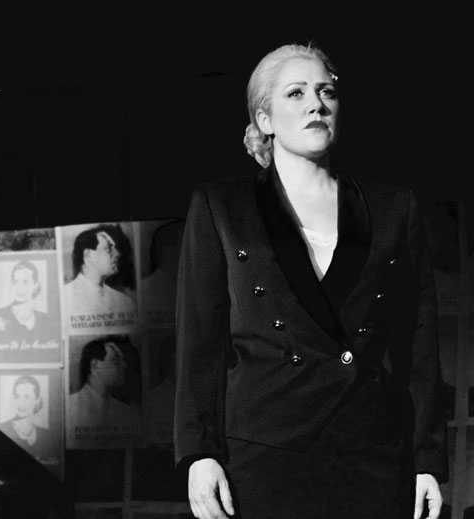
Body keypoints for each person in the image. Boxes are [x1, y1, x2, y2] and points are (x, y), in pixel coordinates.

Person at [174, 42, 447, 519]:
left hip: (371, 453)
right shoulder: (223, 207)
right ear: (264, 119)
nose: (316, 104)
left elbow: (417, 342)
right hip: (262, 455)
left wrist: (427, 459)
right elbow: (200, 340)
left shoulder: (392, 208)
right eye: (296, 93)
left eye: (326, 92)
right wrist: (200, 453)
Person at [67, 336, 141, 441]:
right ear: (95, 365)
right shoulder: (69, 408)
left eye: (122, 361)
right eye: (115, 361)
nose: (124, 367)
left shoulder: (126, 413)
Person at [62, 224, 136, 317]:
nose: (117, 254)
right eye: (109, 249)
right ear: (87, 254)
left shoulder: (124, 301)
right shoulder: (65, 297)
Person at [0, 375, 58, 464]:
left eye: (27, 397)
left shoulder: (46, 435)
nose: (21, 403)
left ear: (37, 400)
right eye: (17, 396)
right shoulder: (1, 429)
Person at [0, 260, 48, 338]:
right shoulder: (0, 315)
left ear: (35, 285)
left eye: (25, 282)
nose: (20, 288)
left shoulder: (44, 318)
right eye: (16, 282)